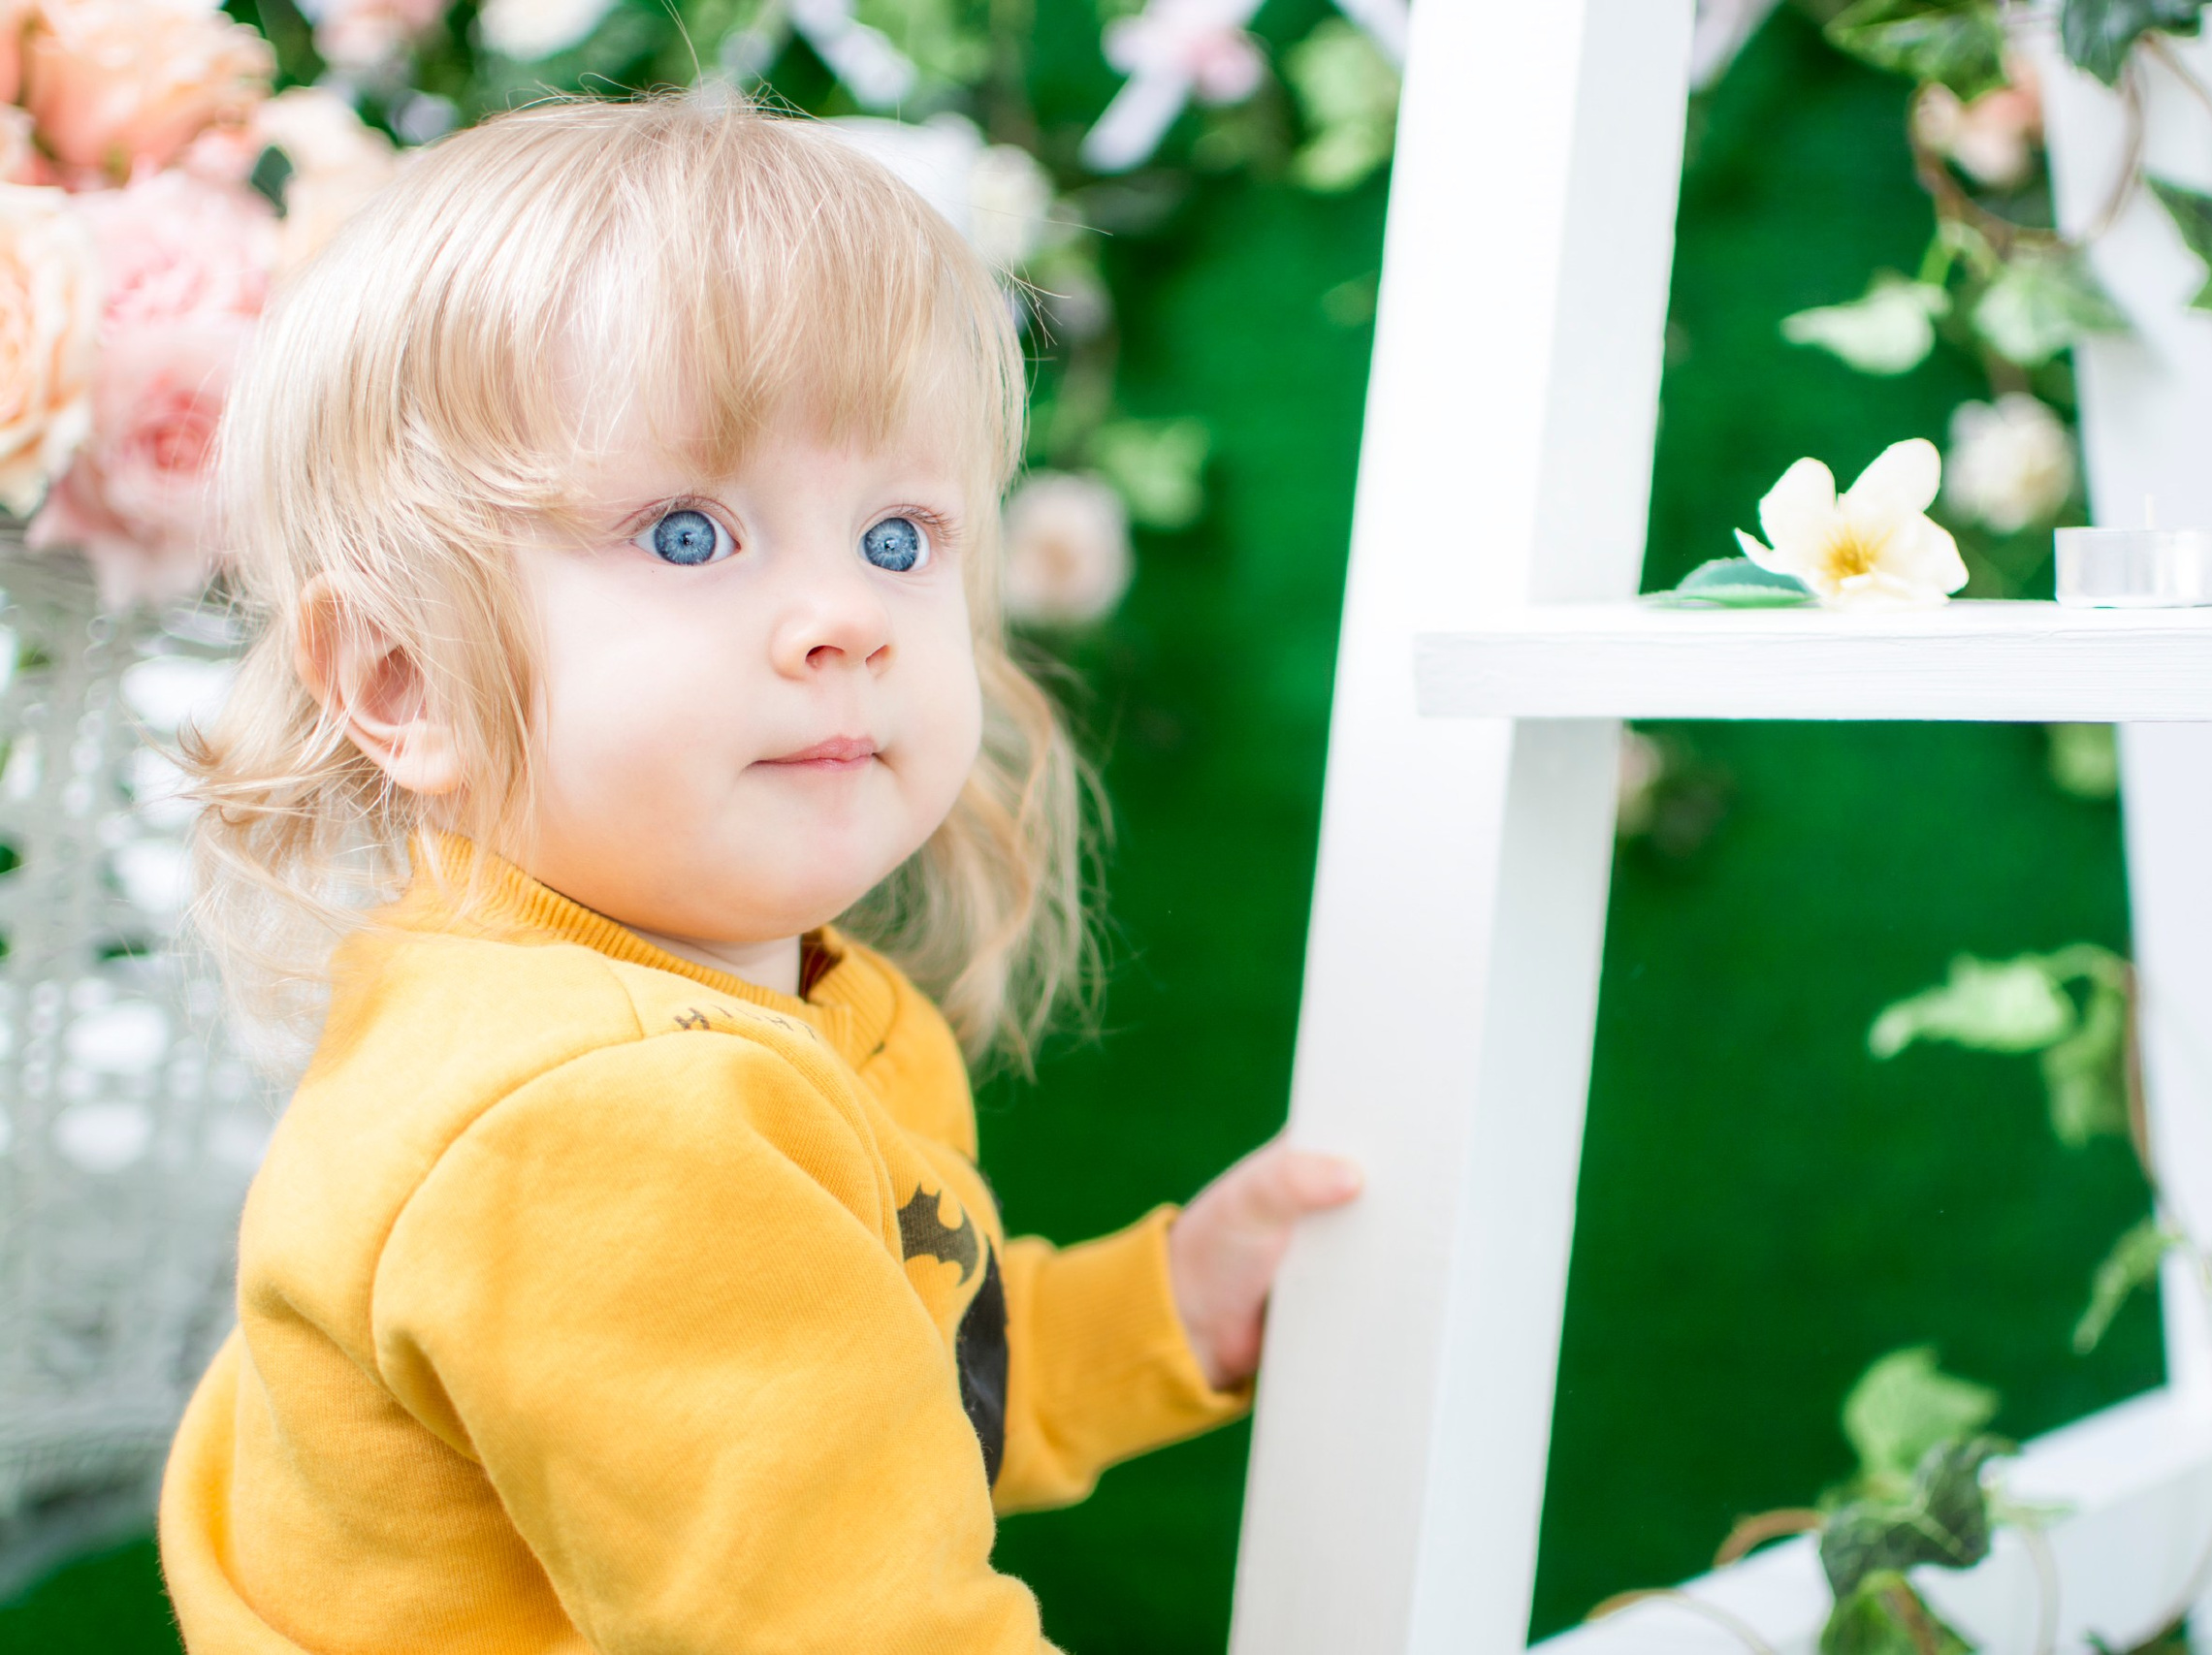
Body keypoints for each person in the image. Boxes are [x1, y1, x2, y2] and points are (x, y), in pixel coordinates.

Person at [158, 94, 1362, 1652]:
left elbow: (871, 1368)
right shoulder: (606, 1124)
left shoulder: (642, 999)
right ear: (404, 681)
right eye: (684, 534)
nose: (846, 617)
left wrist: (1167, 1309)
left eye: (900, 536)